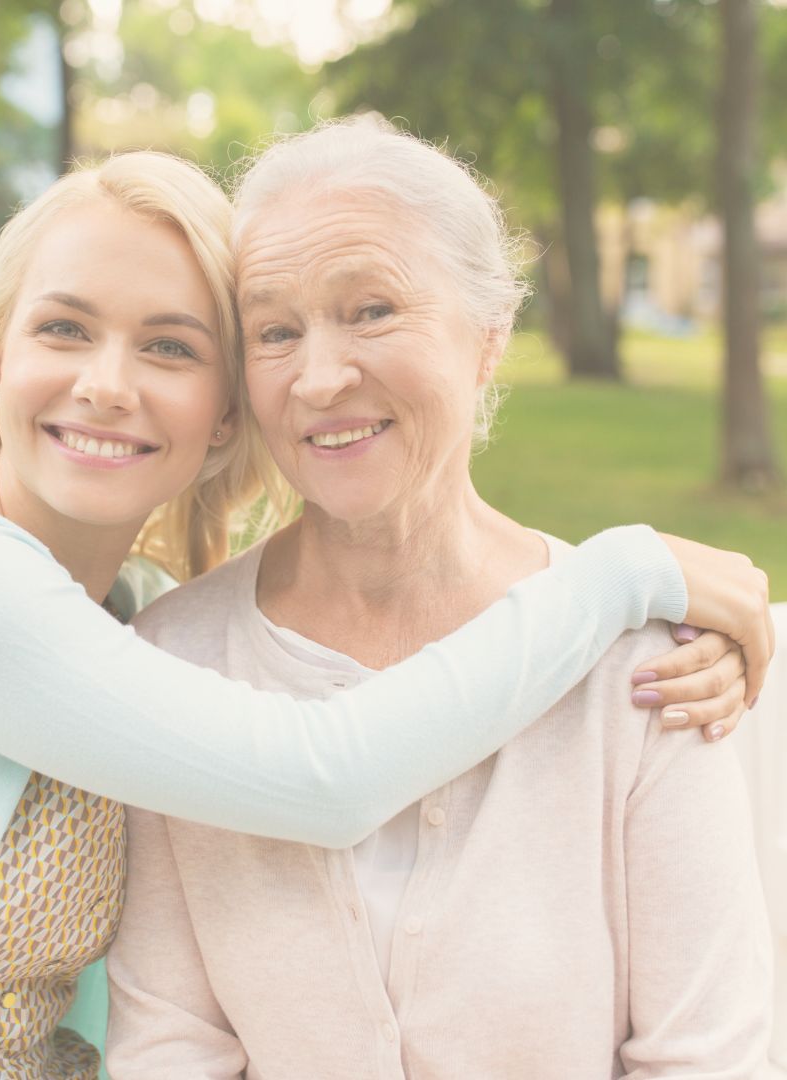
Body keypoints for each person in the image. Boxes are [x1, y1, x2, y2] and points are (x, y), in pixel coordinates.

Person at [0, 150, 768, 1080]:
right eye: (64, 329)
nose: (107, 386)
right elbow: (320, 778)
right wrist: (618, 571)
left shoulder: (136, 628)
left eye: (170, 347)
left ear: (223, 419)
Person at [105, 119, 774, 1078]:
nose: (320, 377)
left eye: (371, 311)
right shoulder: (177, 658)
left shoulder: (651, 662)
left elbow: (707, 1055)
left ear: (488, 337)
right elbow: (166, 1046)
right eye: (276, 332)